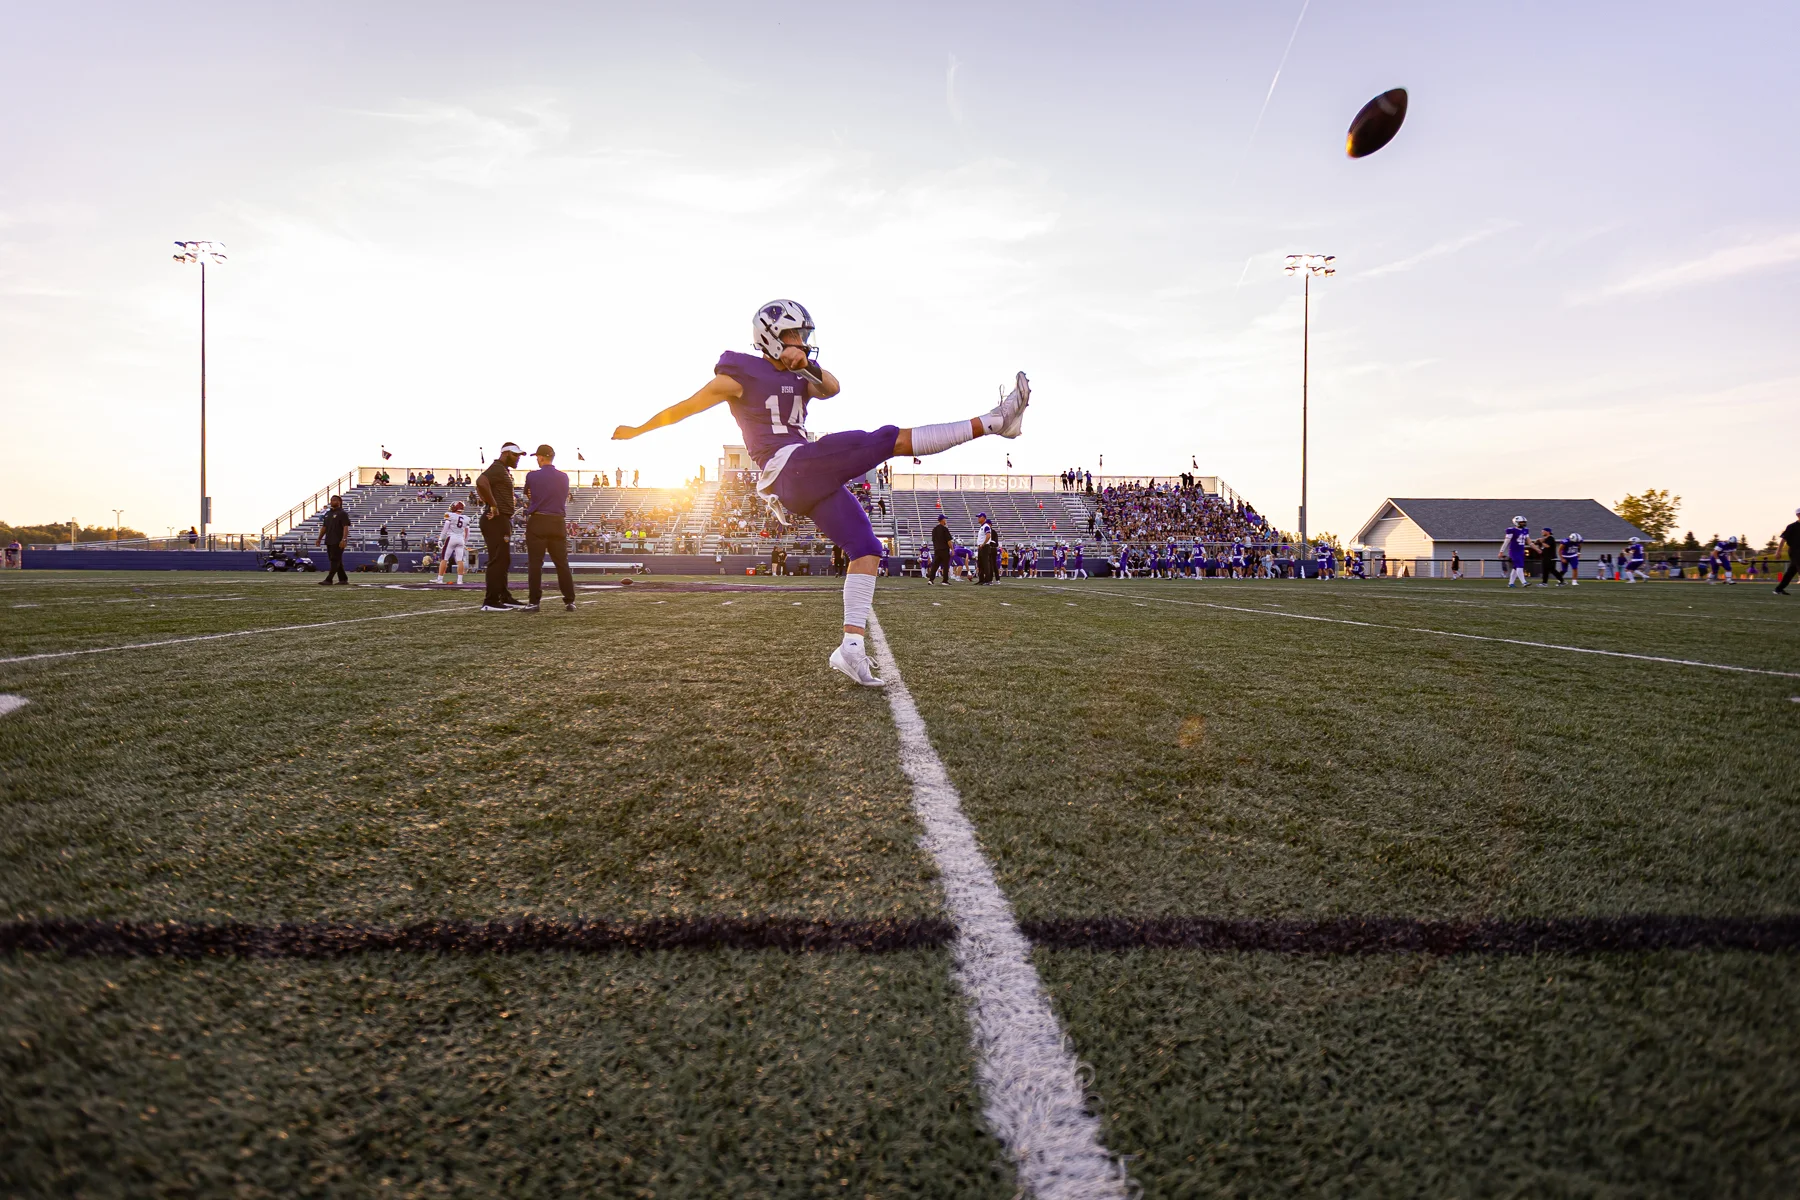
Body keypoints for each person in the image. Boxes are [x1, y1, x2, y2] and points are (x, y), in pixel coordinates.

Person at [614, 300, 1027, 685]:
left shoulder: (800, 372)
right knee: (885, 439)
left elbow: (832, 387)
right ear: (772, 335)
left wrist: (807, 363)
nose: (803, 342)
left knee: (866, 548)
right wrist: (639, 431)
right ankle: (992, 423)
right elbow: (685, 407)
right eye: (795, 336)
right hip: (788, 466)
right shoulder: (734, 377)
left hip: (805, 476)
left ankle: (850, 647)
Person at [522, 444, 576, 612]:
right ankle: (569, 601)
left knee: (535, 563)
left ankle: (534, 602)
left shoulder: (532, 476)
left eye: (537, 457)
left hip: (538, 520)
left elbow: (528, 494)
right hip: (558, 522)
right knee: (562, 563)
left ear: (541, 457)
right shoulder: (564, 477)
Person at [477, 443, 526, 612]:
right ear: (506, 454)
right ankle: (491, 601)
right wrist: (493, 505)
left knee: (503, 560)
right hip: (496, 519)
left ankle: (503, 596)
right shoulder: (497, 468)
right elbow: (481, 481)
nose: (518, 459)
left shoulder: (502, 470)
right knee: (498, 560)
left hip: (501, 519)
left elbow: (483, 485)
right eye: (515, 455)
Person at [314, 495, 351, 584]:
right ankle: (343, 579)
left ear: (339, 502)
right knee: (336, 560)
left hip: (338, 540)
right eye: (331, 500)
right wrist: (319, 538)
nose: (332, 501)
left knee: (335, 559)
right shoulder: (328, 514)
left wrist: (344, 539)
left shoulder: (342, 513)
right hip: (329, 539)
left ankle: (329, 579)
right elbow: (324, 527)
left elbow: (345, 527)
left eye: (334, 500)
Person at [436, 501, 472, 585]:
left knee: (444, 558)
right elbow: (468, 532)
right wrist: (465, 542)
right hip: (461, 539)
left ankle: (440, 579)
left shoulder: (449, 515)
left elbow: (446, 526)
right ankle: (460, 580)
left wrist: (441, 538)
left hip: (451, 538)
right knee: (460, 560)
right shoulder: (466, 518)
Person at [1776, 508, 1800, 595]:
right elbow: (1783, 540)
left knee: (1791, 572)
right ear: (1797, 515)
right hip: (1794, 551)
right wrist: (1778, 551)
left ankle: (1778, 589)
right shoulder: (1791, 527)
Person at [1502, 516, 1530, 587]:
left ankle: (1511, 583)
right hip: (1514, 551)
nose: (1523, 524)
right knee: (1520, 566)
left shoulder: (1525, 530)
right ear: (1516, 522)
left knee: (1515, 567)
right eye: (1521, 522)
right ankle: (1524, 582)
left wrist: (1536, 548)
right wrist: (1501, 551)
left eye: (1524, 522)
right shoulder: (1511, 530)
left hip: (1521, 551)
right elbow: (1506, 542)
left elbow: (1529, 541)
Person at [976, 512, 997, 584]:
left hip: (985, 547)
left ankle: (988, 580)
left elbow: (988, 536)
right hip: (981, 547)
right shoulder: (982, 527)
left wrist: (983, 544)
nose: (978, 518)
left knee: (985, 564)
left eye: (979, 517)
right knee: (980, 564)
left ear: (984, 518)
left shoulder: (986, 526)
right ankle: (981, 580)